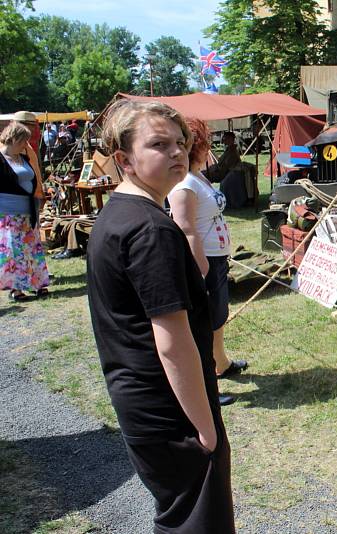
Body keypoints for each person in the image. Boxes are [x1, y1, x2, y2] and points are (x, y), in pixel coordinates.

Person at [85, 99, 235, 533]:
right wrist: (205, 428)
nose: (176, 152)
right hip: (170, 410)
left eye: (180, 143)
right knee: (196, 522)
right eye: (158, 144)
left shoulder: (119, 214)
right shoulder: (149, 229)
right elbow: (173, 342)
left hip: (142, 400)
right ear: (124, 159)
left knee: (178, 515)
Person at [168, 118, 248, 395]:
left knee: (217, 315)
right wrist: (199, 266)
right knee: (203, 322)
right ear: (196, 147)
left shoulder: (197, 175)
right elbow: (183, 227)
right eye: (207, 144)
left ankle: (220, 363)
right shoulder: (184, 184)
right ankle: (205, 384)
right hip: (205, 261)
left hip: (215, 258)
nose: (210, 149)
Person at [0, 121, 50, 301]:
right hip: (8, 213)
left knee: (32, 248)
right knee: (14, 252)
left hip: (28, 210)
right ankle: (16, 288)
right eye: (23, 142)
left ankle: (38, 283)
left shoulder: (24, 158)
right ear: (13, 138)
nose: (25, 145)